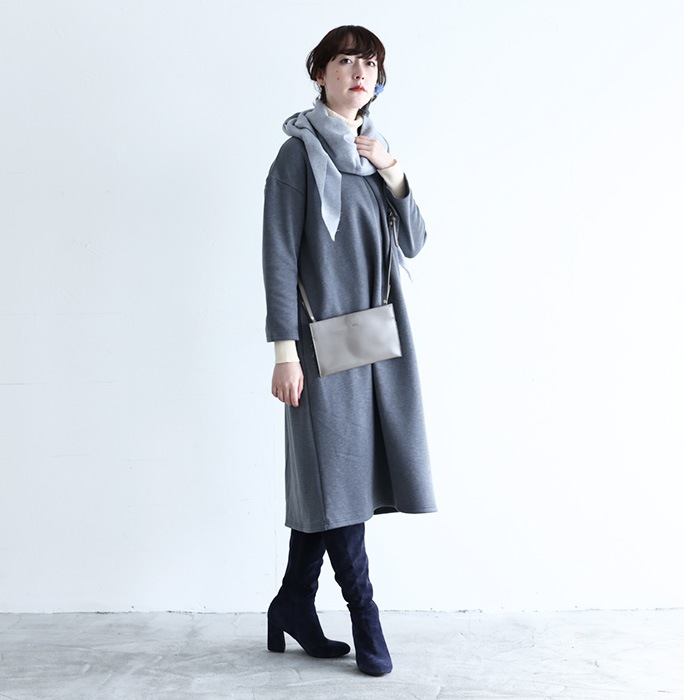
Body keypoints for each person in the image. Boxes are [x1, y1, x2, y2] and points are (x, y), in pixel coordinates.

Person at [262, 25, 436, 676]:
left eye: (369, 63)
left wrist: (393, 170)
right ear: (321, 73)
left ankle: (292, 604)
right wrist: (284, 352)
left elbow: (415, 241)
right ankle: (366, 616)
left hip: (381, 338)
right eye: (344, 60)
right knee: (336, 479)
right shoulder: (296, 157)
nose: (358, 71)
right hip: (319, 344)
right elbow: (279, 259)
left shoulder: (375, 155)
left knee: (333, 481)